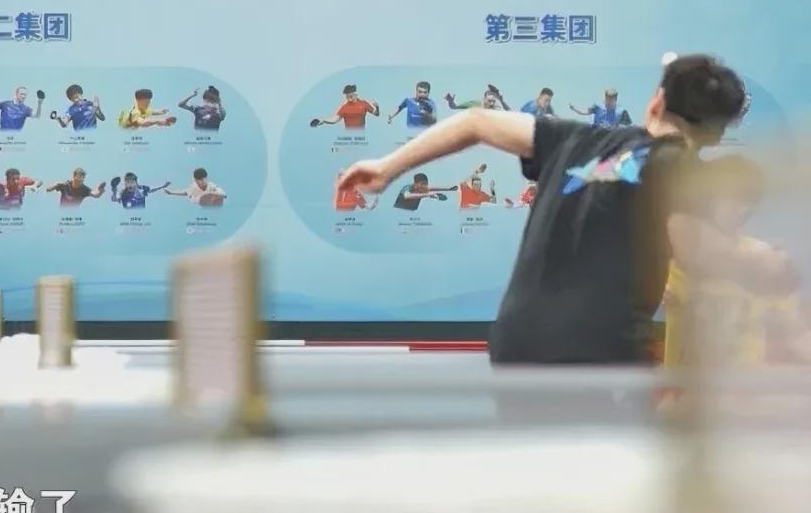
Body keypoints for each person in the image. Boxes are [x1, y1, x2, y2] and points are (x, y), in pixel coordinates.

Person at [338, 54, 795, 364]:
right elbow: (697, 251)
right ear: (716, 134)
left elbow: (475, 121)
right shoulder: (678, 167)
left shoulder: (574, 139)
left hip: (517, 346)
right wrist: (764, 266)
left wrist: (386, 167)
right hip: (597, 356)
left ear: (656, 102)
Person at [662, 155, 811, 367]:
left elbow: (795, 331)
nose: (744, 209)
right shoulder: (677, 261)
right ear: (710, 198)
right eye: (735, 198)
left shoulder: (765, 258)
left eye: (751, 200)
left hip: (748, 382)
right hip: (689, 381)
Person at [311, 84, 379, 129]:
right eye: (347, 96)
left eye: (350, 95)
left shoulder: (364, 103)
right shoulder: (344, 107)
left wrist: (377, 107)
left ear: (355, 94)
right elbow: (334, 120)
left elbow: (376, 114)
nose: (348, 97)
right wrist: (323, 121)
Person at [392, 173, 457, 210]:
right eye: (422, 184)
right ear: (415, 184)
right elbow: (407, 196)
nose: (424, 186)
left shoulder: (422, 189)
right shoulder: (408, 187)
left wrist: (449, 188)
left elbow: (433, 188)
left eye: (426, 184)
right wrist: (429, 195)